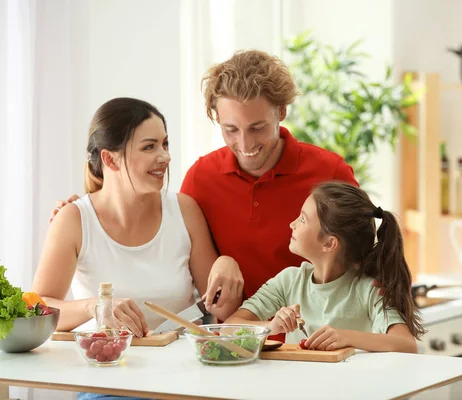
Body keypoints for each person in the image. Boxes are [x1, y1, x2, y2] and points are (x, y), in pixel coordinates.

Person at [51, 50, 359, 321]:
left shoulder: (329, 171)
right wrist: (84, 213)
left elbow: (366, 262)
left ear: (281, 112)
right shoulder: (202, 177)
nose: (245, 143)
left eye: (257, 128)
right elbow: (179, 251)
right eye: (230, 129)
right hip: (236, 341)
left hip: (314, 340)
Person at [33, 97, 244, 339]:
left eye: (165, 144)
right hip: (104, 366)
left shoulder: (184, 210)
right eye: (149, 147)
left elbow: (222, 311)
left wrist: (227, 264)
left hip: (179, 368)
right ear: (110, 159)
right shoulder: (74, 220)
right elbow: (40, 309)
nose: (165, 157)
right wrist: (94, 307)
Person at [226, 181, 424, 353]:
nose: (292, 224)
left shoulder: (368, 288)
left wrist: (346, 338)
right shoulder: (289, 281)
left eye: (302, 219)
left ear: (329, 243)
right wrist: (271, 326)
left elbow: (406, 344)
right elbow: (228, 327)